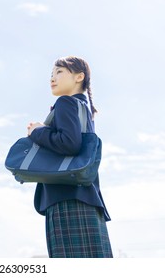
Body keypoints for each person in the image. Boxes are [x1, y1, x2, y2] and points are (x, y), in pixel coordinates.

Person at [27, 56, 113, 258]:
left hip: (66, 197)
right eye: (51, 74)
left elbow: (69, 143)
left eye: (59, 72)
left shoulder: (65, 103)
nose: (52, 78)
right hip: (87, 197)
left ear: (79, 77)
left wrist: (37, 131)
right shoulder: (85, 108)